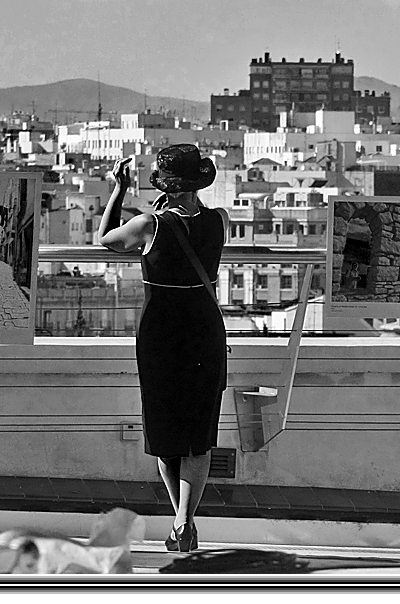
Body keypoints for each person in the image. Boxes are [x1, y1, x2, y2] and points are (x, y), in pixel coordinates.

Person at [98, 145, 230, 553]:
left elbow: (106, 239)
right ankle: (183, 523)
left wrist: (118, 191)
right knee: (199, 433)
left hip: (162, 331)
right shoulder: (219, 220)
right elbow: (196, 220)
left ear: (166, 187)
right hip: (205, 327)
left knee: (164, 429)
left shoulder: (148, 225)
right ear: (199, 184)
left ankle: (181, 523)